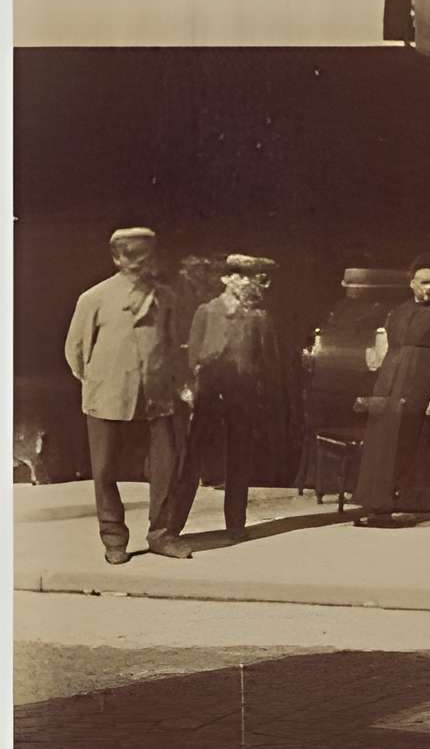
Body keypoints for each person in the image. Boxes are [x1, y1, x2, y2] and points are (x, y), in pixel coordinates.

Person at [63, 226, 194, 566]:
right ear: (115, 257)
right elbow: (75, 351)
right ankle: (114, 539)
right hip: (108, 393)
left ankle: (162, 536)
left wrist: (177, 383)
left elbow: (174, 346)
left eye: (144, 254)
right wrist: (99, 381)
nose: (137, 262)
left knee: (165, 466)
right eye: (130, 254)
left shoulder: (166, 298)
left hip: (157, 394)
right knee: (105, 469)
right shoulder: (94, 298)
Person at [176, 254, 295, 539]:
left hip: (244, 397)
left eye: (262, 280)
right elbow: (192, 355)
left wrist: (266, 400)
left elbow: (270, 364)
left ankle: (235, 526)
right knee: (193, 459)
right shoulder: (206, 311)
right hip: (208, 395)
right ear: (229, 279)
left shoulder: (261, 318)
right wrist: (192, 390)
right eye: (250, 277)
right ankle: (172, 525)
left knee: (240, 459)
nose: (259, 285)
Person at [353, 264, 430, 528]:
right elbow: (387, 348)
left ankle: (407, 504)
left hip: (419, 388)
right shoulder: (398, 313)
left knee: (409, 445)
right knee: (382, 444)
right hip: (390, 384)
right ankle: (378, 504)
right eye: (424, 282)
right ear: (412, 284)